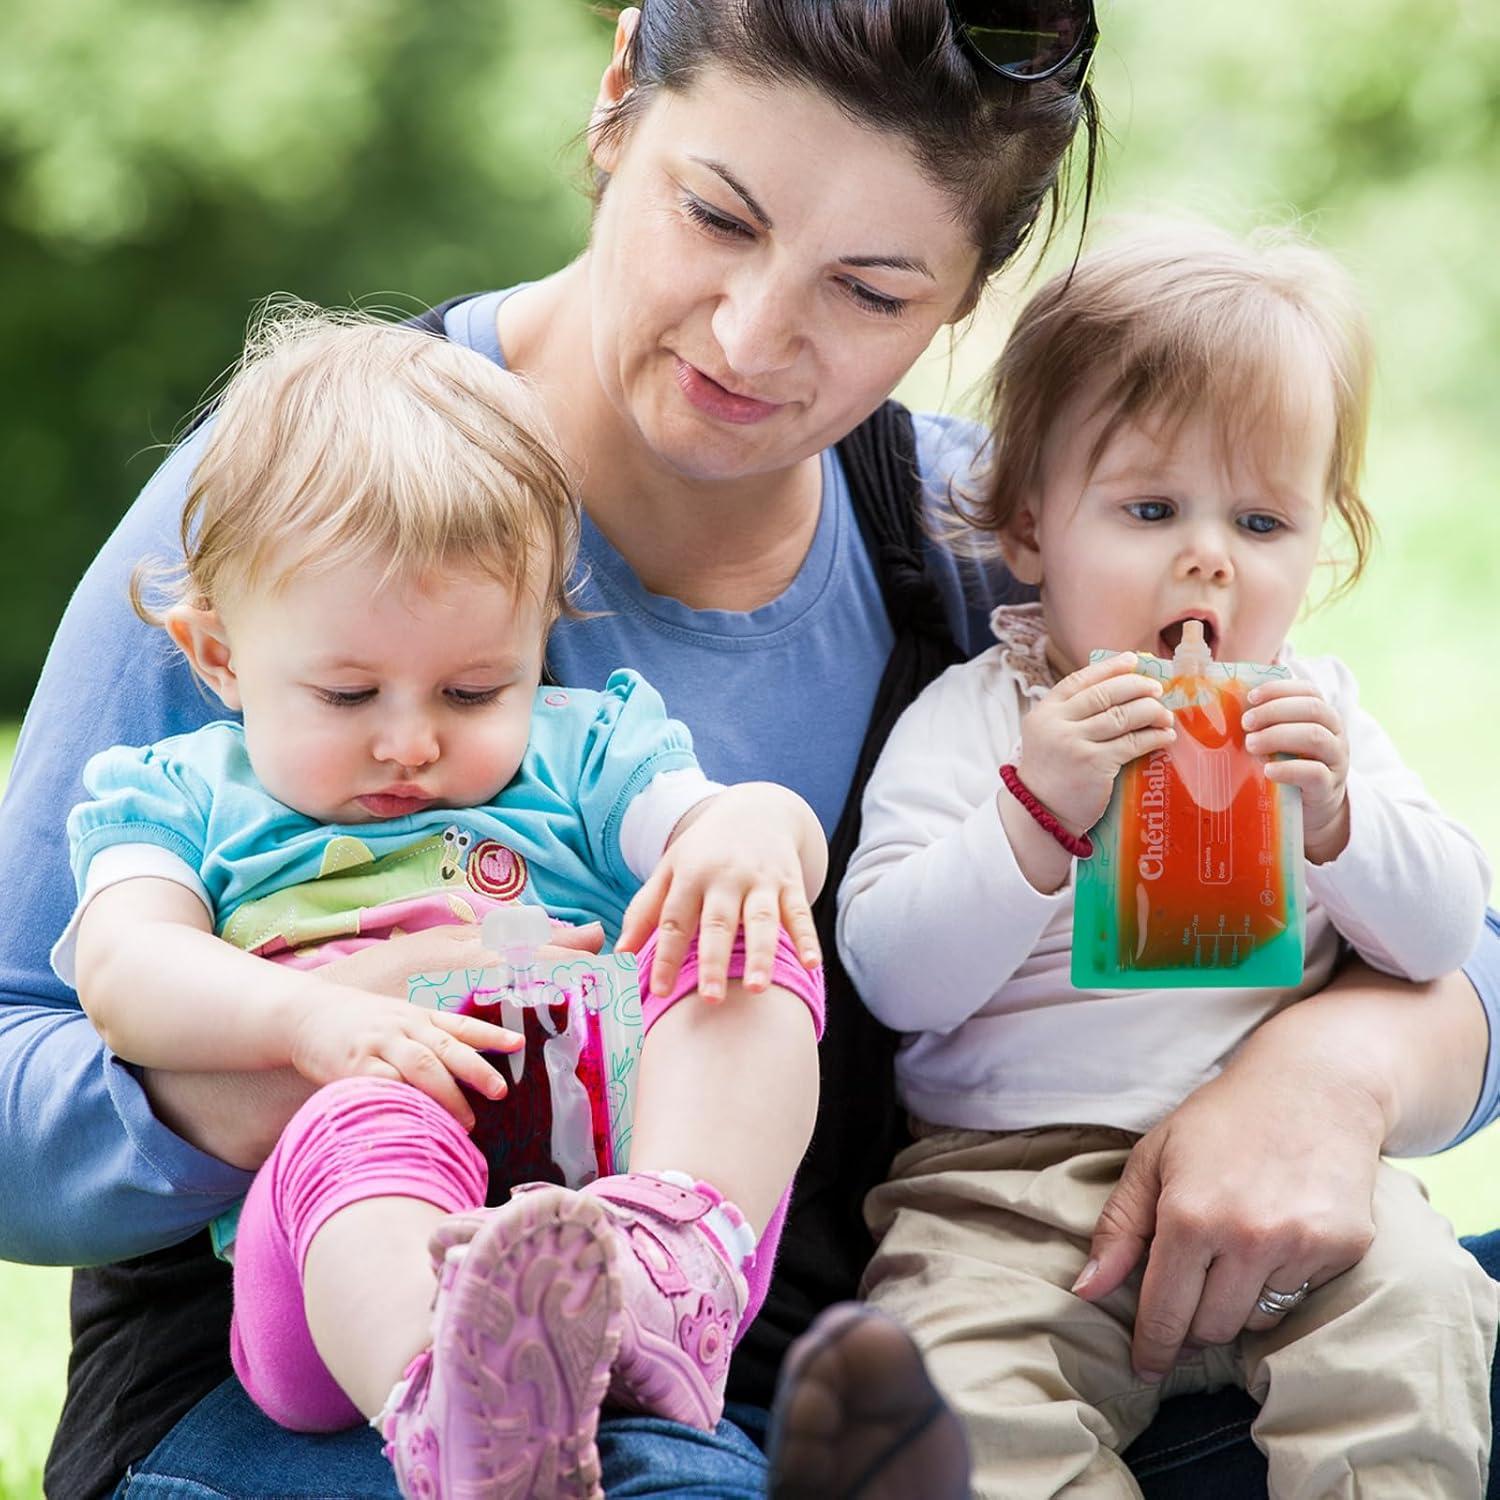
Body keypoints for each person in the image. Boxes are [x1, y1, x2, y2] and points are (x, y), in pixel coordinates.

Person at [0, 4, 1495, 1496]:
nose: (751, 335)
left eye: (870, 289)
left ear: (970, 294)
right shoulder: (305, 508)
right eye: (715, 217)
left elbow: (1464, 958)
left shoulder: (1013, 544)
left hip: (917, 1357)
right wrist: (318, 1045)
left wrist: (1330, 1074)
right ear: (616, 101)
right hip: (328, 1397)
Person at [56, 308, 828, 1497]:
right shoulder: (181, 795)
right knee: (360, 1118)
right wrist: (309, 1021)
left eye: (473, 690)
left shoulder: (584, 755)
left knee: (735, 925)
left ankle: (670, 1262)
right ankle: (457, 1408)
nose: (410, 741)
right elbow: (122, 973)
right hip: (341, 1271)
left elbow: (722, 827)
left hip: (600, 1187)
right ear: (219, 656)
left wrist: (757, 826)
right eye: (347, 694)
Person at [837, 220, 1498, 1497]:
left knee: (1421, 1310)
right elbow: (898, 979)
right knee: (950, 1406)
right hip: (1006, 1200)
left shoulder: (1316, 719)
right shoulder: (983, 721)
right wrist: (1035, 811)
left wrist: (1338, 819)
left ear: (1323, 543)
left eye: (1261, 519)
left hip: (1298, 1178)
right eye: (1150, 509)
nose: (1208, 555)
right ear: (1029, 528)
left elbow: (1440, 934)